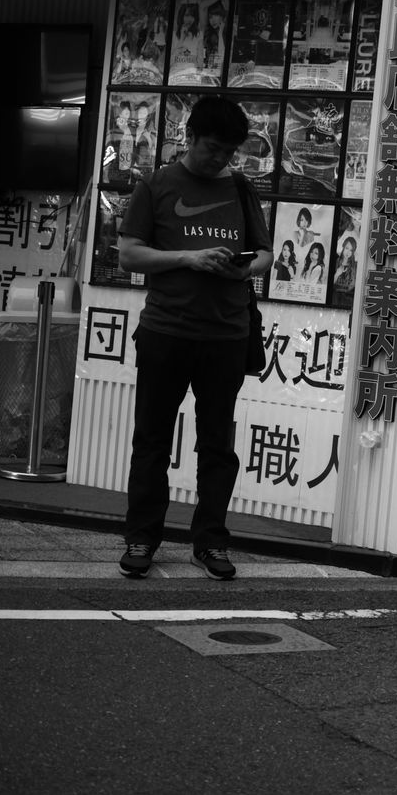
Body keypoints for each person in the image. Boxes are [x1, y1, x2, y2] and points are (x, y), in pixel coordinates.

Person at [116, 95, 272, 581]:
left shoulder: (243, 189)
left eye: (229, 151)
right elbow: (128, 254)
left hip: (226, 335)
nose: (220, 159)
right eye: (212, 148)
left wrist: (239, 270)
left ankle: (210, 542)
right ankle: (142, 536)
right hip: (166, 331)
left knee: (217, 445)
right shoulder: (157, 184)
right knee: (152, 441)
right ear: (190, 137)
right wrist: (188, 258)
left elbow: (266, 256)